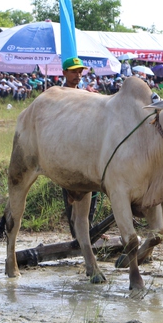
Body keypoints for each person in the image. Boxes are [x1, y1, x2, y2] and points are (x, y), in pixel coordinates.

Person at [60, 56, 101, 239]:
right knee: (70, 191)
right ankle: (76, 235)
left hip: (85, 150)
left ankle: (89, 230)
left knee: (92, 189)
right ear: (64, 73)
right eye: (73, 71)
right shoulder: (58, 95)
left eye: (79, 71)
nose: (77, 75)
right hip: (66, 150)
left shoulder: (85, 94)